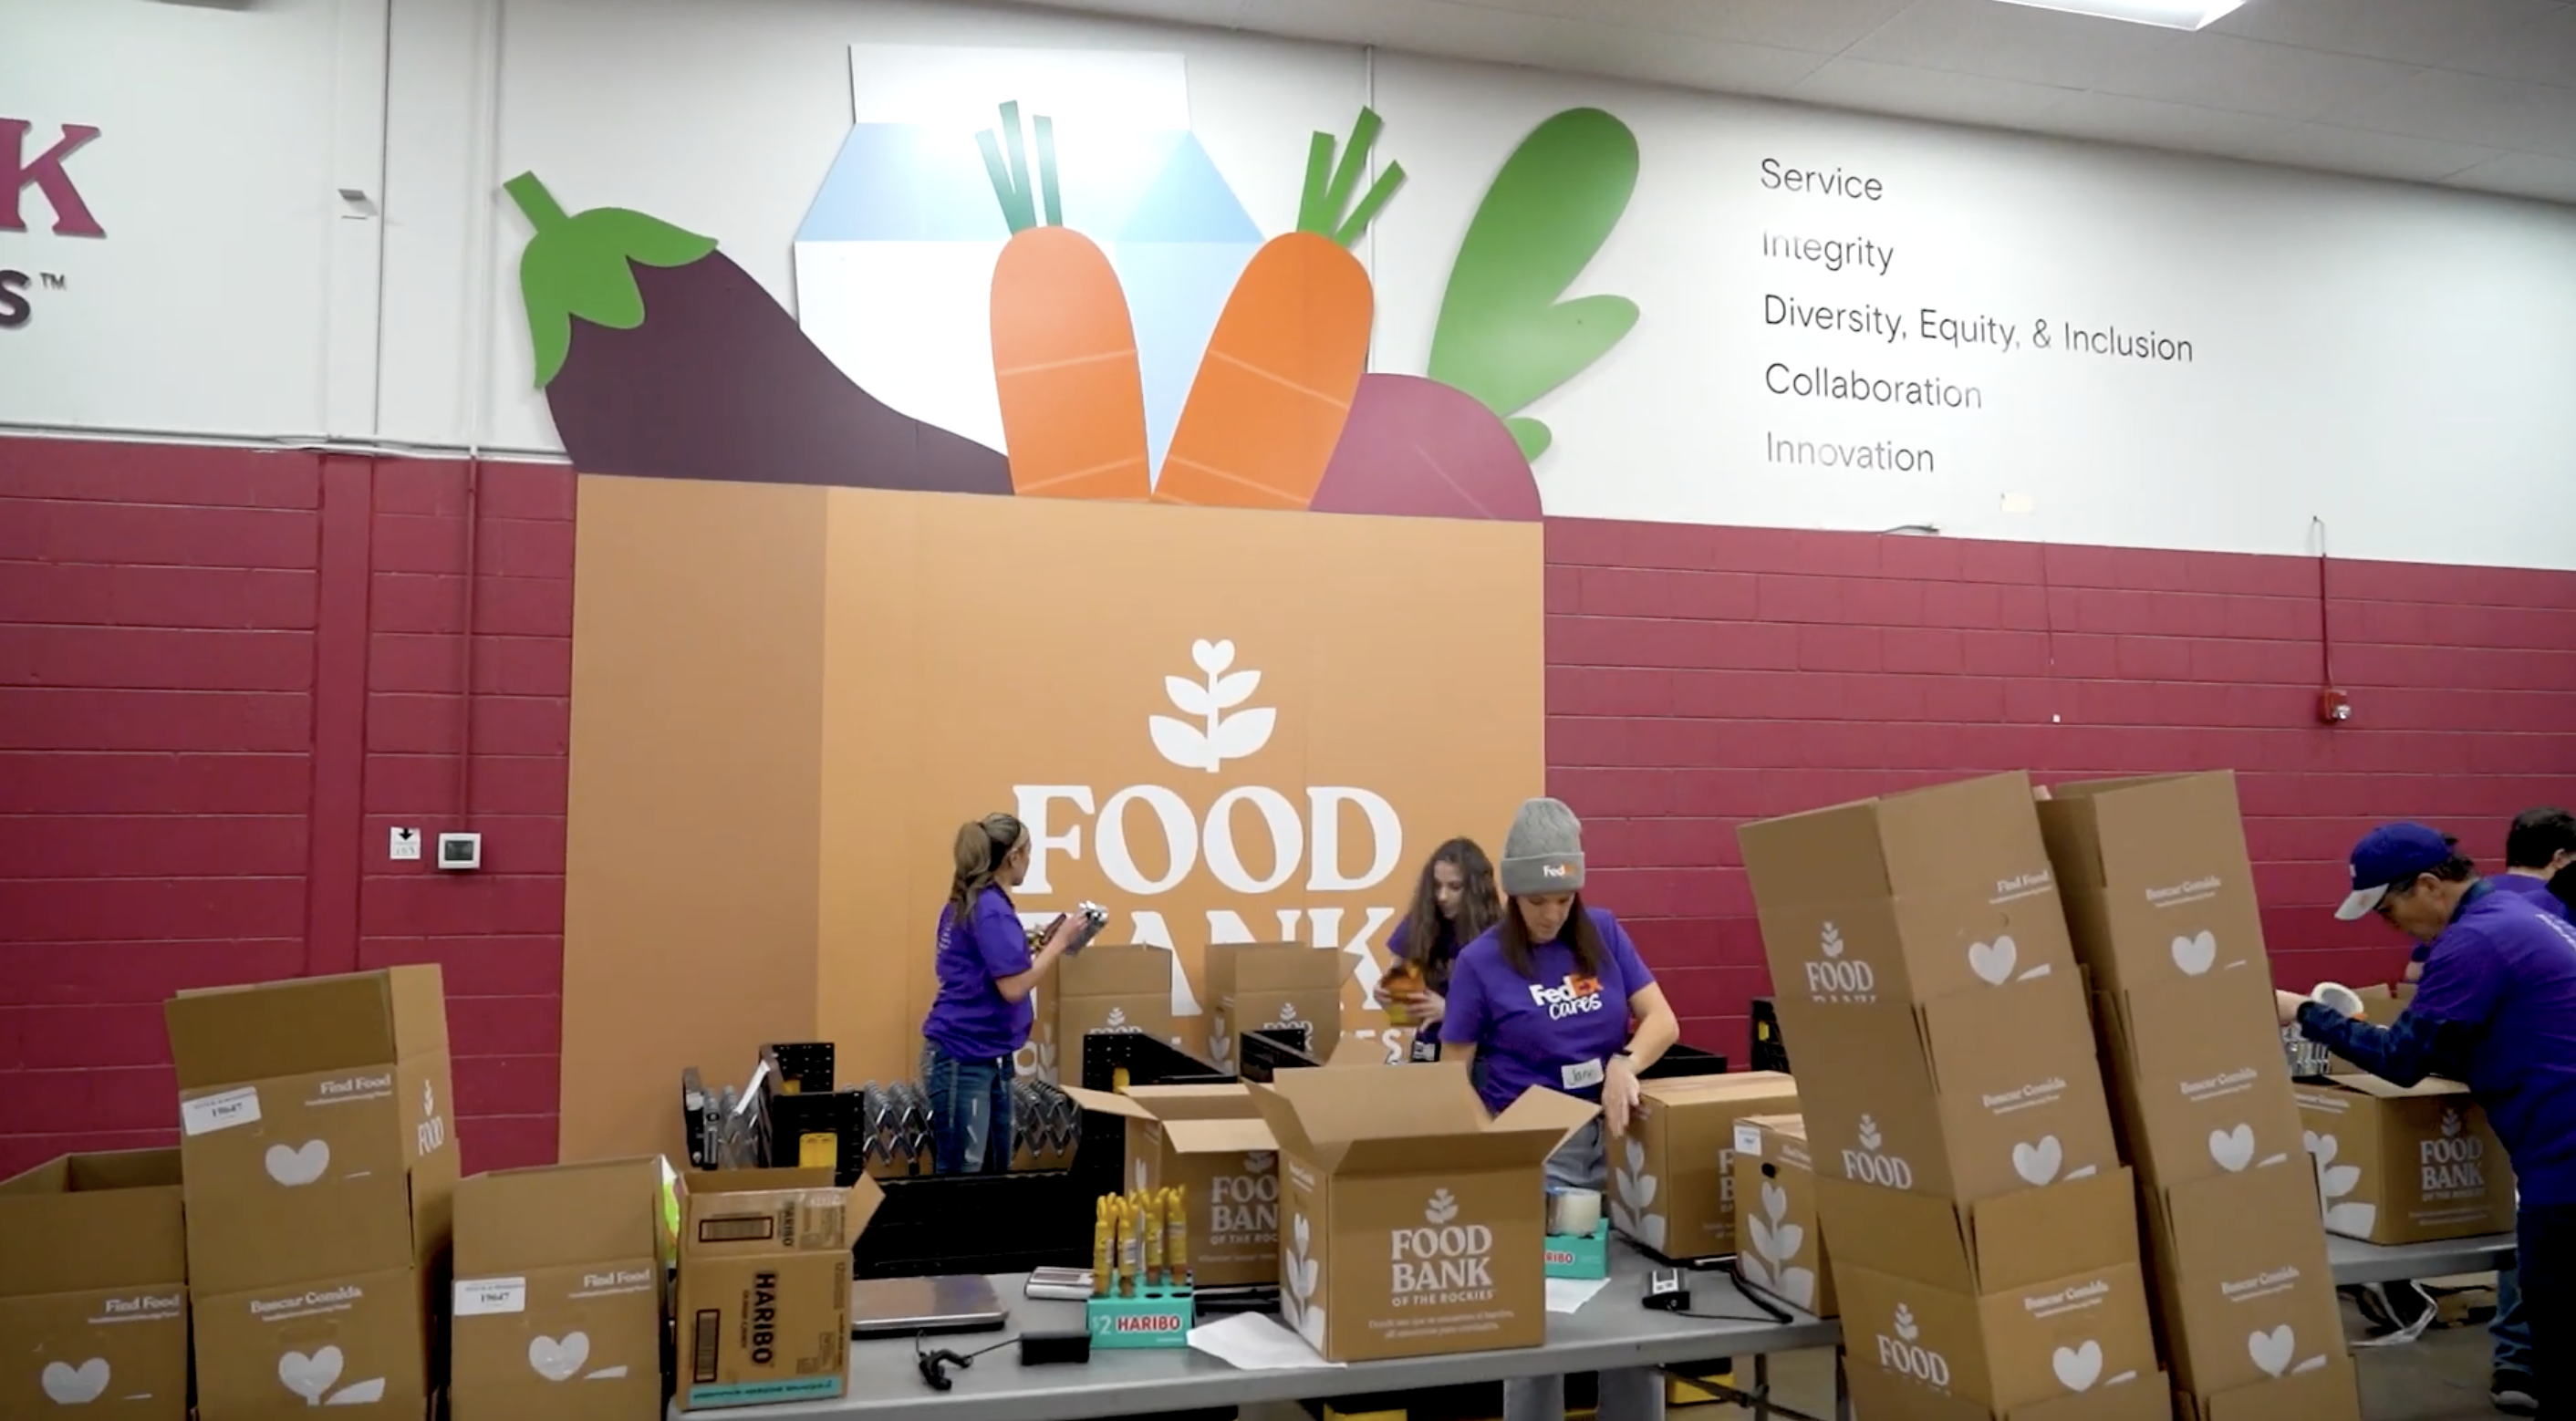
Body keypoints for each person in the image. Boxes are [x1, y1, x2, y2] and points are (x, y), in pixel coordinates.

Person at [2281, 823, 2576, 1418]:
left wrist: (2304, 1012)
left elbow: (2404, 1061)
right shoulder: (2525, 920)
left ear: (2428, 886)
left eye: (2388, 912)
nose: (2389, 927)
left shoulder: (2473, 943)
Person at [1440, 798, 1679, 1421]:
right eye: (1537, 902)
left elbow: (1663, 1021)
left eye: (1563, 900)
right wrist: (1499, 1147)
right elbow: (1451, 1073)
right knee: (1543, 1318)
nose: (1551, 915)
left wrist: (1625, 1062)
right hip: (1543, 1154)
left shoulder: (1603, 932)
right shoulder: (1481, 962)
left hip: (1619, 1139)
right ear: (1513, 895)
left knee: (1632, 1314)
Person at [919, 813, 1084, 1175]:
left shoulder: (970, 902)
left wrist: (1030, 946)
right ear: (1014, 857)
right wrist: (1059, 943)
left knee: (992, 1168)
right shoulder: (990, 911)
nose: (1030, 860)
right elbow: (1012, 987)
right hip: (966, 1057)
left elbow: (981, 963)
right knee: (964, 1173)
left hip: (984, 1056)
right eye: (1029, 852)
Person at [2482, 809, 2576, 1412]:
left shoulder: (2482, 905)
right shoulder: (2559, 913)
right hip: (2549, 1093)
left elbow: (2414, 976)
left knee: (2527, 1217)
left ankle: (2515, 1360)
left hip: (2495, 1085)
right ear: (2564, 858)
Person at [1381, 837, 1501, 1054]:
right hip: (1428, 1048)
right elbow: (1403, 1014)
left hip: (1480, 1055)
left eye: (1454, 887)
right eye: (1436, 886)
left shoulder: (1499, 935)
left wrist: (1450, 1011)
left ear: (1476, 889)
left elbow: (1512, 1015)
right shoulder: (1418, 924)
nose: (1442, 896)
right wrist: (1390, 999)